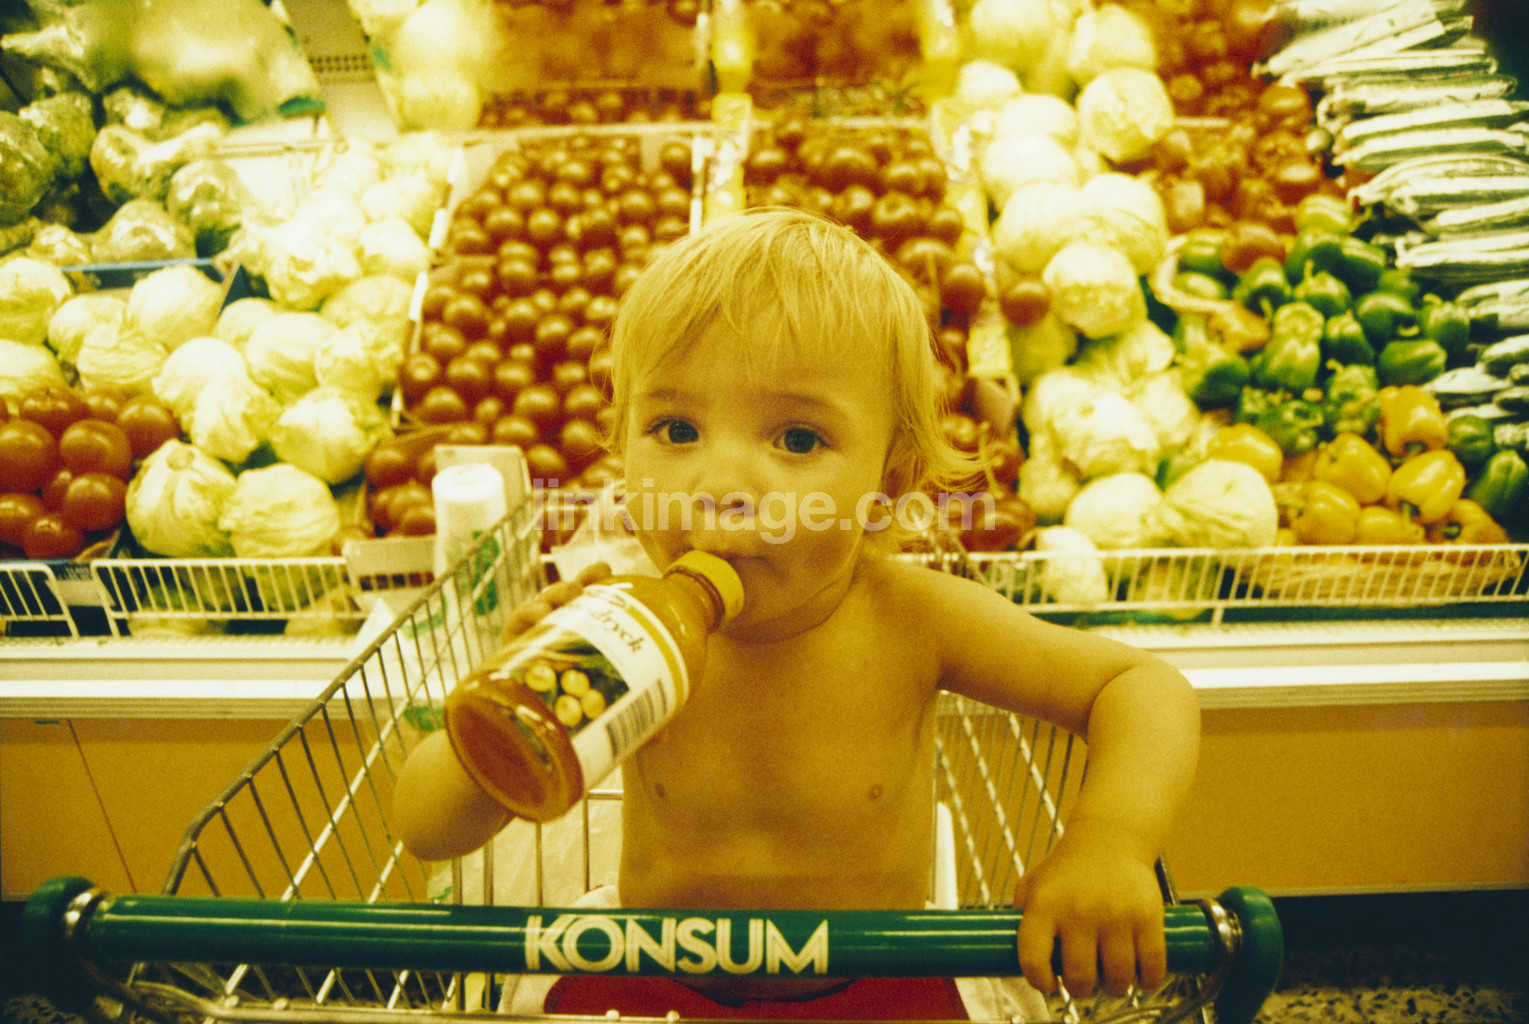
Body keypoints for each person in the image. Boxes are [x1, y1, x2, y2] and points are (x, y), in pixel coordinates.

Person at [392, 207, 1200, 1018]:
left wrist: (1108, 842)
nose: (720, 485)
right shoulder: (621, 634)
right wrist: (503, 721)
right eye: (675, 428)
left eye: (798, 440)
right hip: (649, 970)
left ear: (886, 485)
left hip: (880, 980)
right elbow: (425, 828)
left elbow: (1137, 687)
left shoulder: (915, 619)